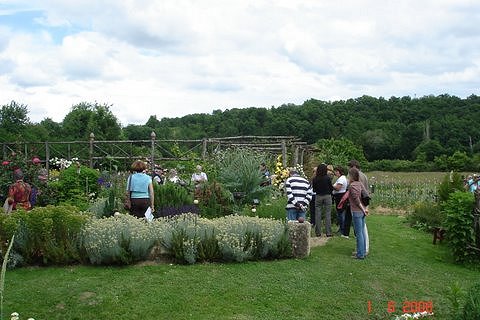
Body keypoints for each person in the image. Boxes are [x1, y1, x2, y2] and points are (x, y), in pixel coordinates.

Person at [347, 159, 370, 254]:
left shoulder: (354, 184)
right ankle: (364, 250)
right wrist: (366, 207)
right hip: (363, 207)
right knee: (362, 231)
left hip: (358, 209)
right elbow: (366, 193)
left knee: (359, 232)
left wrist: (363, 209)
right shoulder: (364, 177)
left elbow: (356, 199)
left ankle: (361, 252)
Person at [312, 164, 334, 237]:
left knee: (318, 214)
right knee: (327, 214)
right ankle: (328, 232)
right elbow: (331, 188)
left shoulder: (315, 179)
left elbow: (314, 189)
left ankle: (318, 232)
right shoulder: (327, 178)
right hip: (327, 196)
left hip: (318, 196)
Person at [332, 165, 348, 236]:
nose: (335, 173)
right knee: (340, 213)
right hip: (339, 196)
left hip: (340, 196)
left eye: (336, 171)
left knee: (341, 214)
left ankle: (342, 229)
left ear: (339, 172)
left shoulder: (341, 179)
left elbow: (338, 188)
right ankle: (342, 228)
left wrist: (331, 186)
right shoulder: (341, 178)